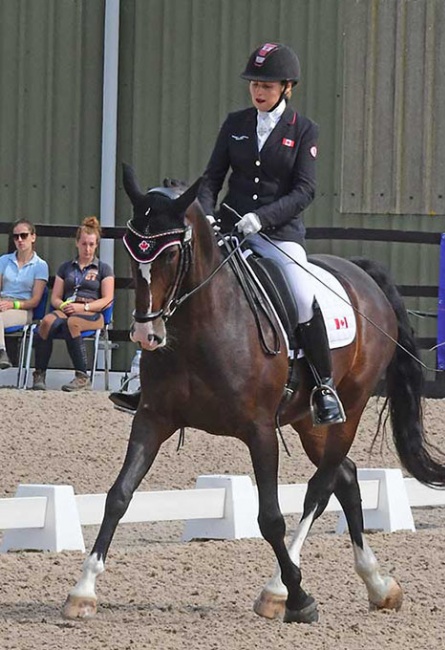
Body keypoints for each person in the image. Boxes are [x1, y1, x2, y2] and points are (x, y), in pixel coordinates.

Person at [110, 42, 343, 426]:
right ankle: (142, 379)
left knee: (302, 296)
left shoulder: (304, 131)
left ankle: (323, 387)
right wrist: (207, 216)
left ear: (287, 87)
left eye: (266, 85)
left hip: (278, 236)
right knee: (175, 284)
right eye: (254, 83)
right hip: (228, 229)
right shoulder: (235, 124)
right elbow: (212, 177)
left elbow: (305, 191)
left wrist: (262, 218)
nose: (258, 90)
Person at [32, 216, 114, 391]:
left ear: (96, 245)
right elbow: (55, 297)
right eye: (84, 244)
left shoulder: (103, 269)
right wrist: (62, 306)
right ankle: (39, 374)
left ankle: (82, 376)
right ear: (77, 243)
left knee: (73, 322)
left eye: (91, 244)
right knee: (46, 322)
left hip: (92, 312)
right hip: (67, 308)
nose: (87, 248)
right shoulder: (66, 267)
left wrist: (83, 307)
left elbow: (107, 299)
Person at [0, 220, 49, 369]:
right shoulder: (4, 260)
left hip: (23, 308)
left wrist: (12, 304)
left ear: (33, 237)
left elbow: (35, 300)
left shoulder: (40, 265)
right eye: (16, 237)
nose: (20, 240)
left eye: (24, 235)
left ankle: (1, 351)